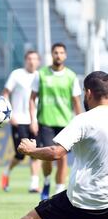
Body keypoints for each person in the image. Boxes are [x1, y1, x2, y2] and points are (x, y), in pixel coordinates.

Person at [0, 71, 108, 219]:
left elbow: (57, 152)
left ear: (88, 93)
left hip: (83, 199)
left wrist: (31, 150)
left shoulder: (84, 120)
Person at [30, 43, 82, 200]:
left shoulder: (71, 76)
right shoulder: (41, 74)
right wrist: (33, 120)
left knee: (62, 157)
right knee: (49, 157)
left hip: (65, 123)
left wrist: (80, 124)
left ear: (65, 55)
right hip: (46, 122)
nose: (58, 55)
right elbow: (32, 99)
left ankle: (59, 190)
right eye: (55, 52)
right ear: (51, 55)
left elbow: (76, 102)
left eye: (61, 52)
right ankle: (46, 180)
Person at [1, 50, 41, 193]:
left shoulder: (40, 76)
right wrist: (9, 114)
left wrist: (37, 119)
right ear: (25, 60)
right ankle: (6, 171)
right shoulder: (17, 74)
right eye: (29, 58)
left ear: (39, 61)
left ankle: (34, 184)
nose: (32, 61)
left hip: (35, 120)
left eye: (35, 59)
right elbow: (5, 93)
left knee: (36, 152)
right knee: (21, 154)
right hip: (19, 120)